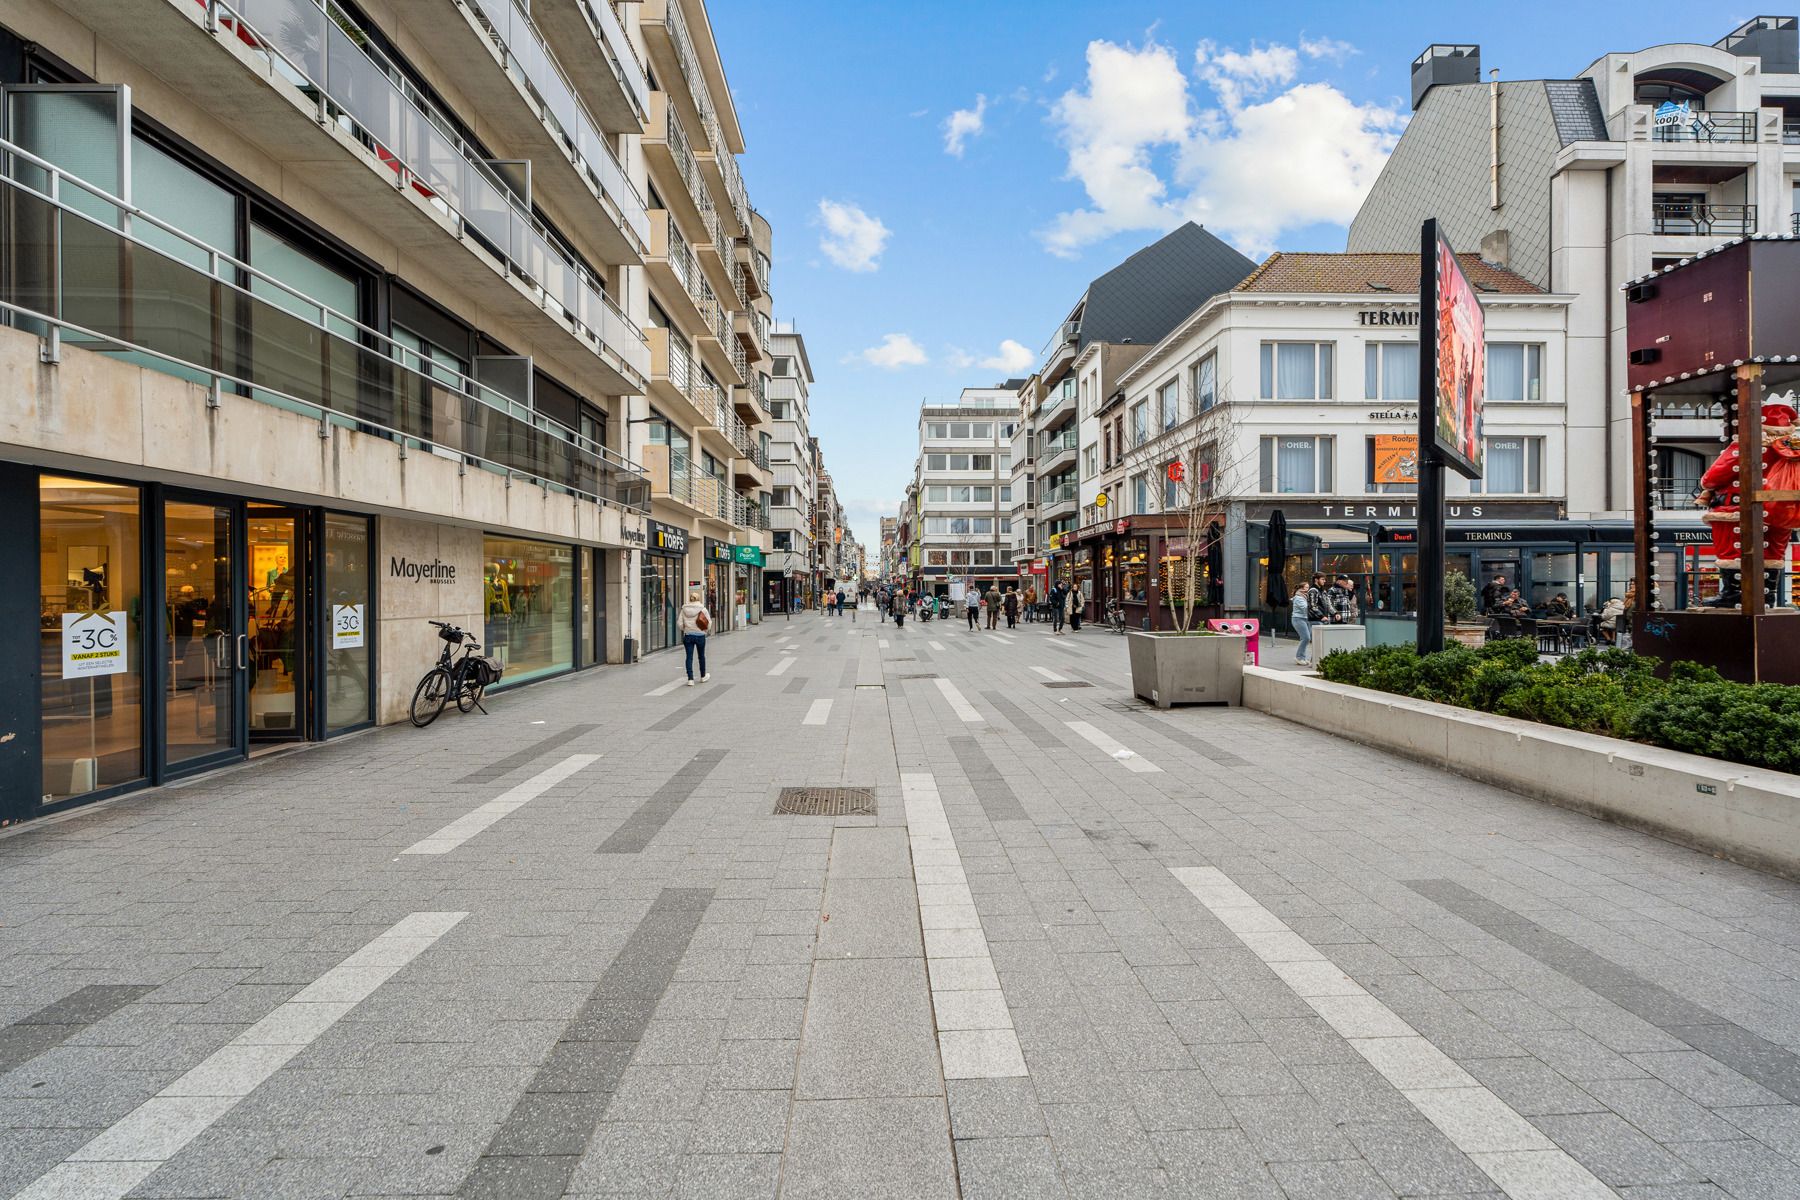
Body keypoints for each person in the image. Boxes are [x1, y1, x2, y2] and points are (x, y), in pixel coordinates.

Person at [678, 591, 711, 686]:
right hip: (700, 635)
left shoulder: (684, 609)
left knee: (689, 657)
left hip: (688, 635)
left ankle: (690, 679)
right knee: (701, 656)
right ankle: (703, 676)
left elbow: (680, 623)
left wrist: (685, 628)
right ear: (698, 599)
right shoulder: (702, 609)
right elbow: (708, 622)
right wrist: (705, 630)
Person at [1290, 583, 1313, 665]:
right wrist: (1313, 605)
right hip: (1298, 619)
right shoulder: (1298, 597)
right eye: (1306, 587)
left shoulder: (1305, 596)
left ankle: (1302, 657)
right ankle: (1299, 657)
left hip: (1305, 619)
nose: (1308, 589)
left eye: (1308, 587)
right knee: (1306, 638)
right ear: (1301, 588)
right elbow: (1305, 608)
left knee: (1306, 638)